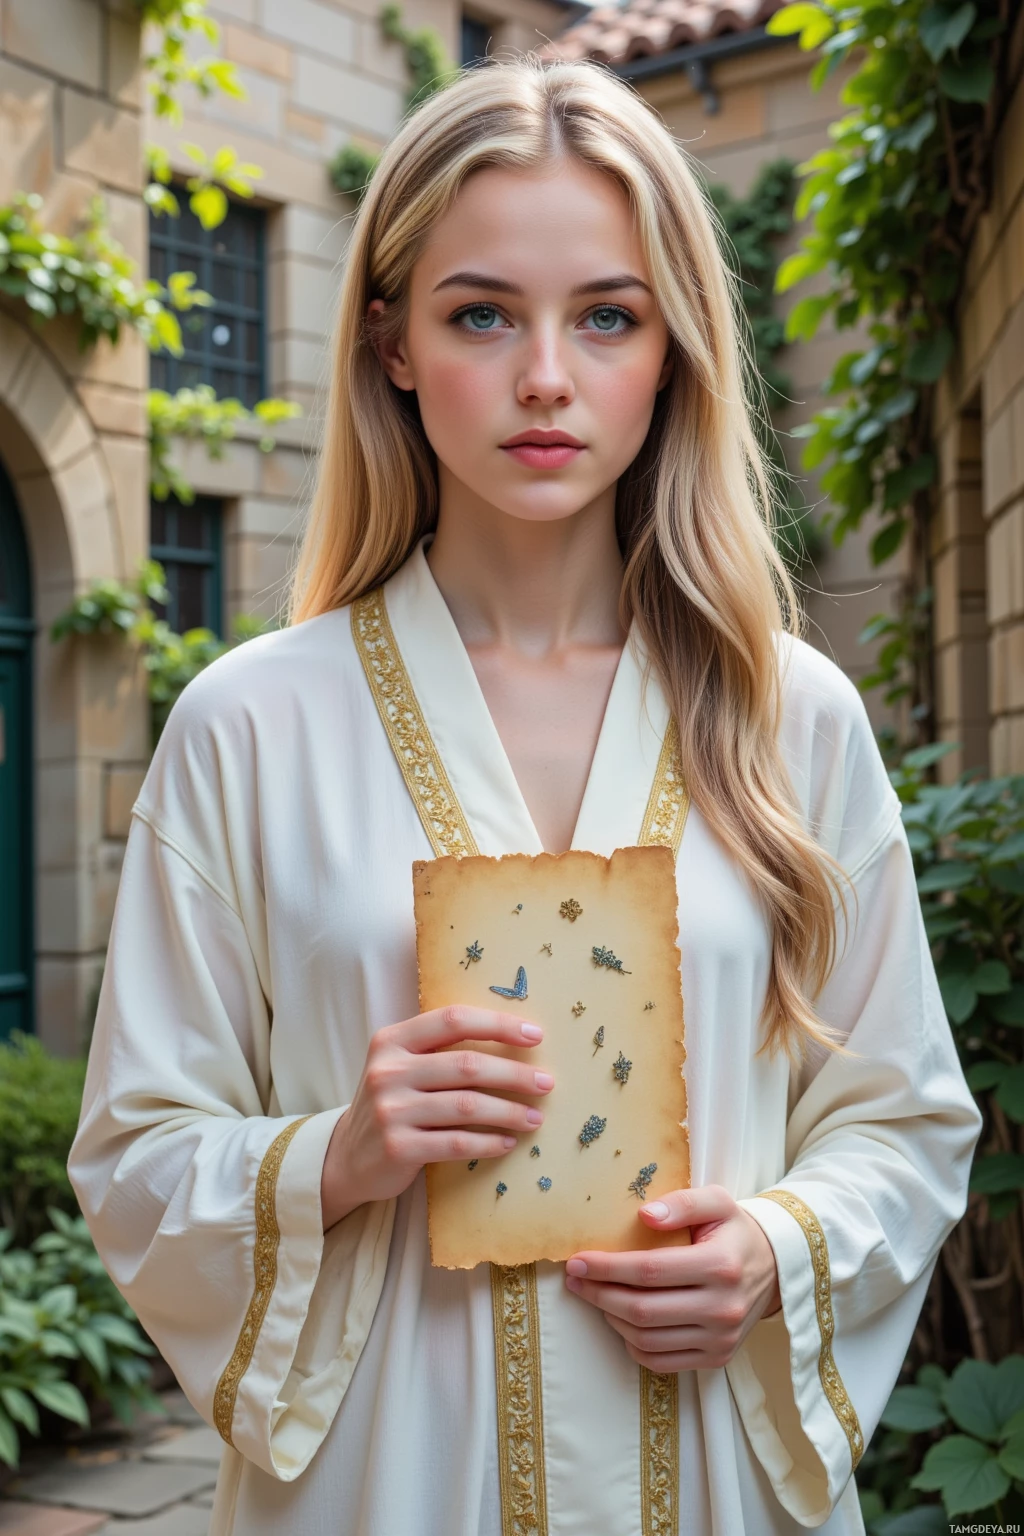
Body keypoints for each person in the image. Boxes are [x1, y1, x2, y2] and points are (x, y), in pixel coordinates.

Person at [68, 56, 981, 1536]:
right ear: (394, 345)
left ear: (675, 348)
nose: (546, 376)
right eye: (482, 312)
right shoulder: (247, 726)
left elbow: (905, 1119)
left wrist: (770, 1250)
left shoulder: (790, 719)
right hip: (384, 1488)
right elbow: (136, 1152)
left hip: (712, 1479)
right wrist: (339, 1154)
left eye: (607, 316)